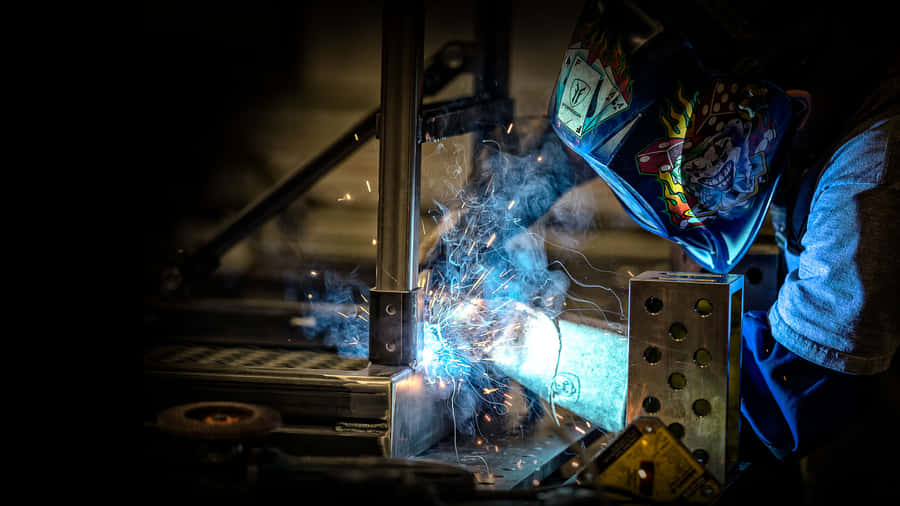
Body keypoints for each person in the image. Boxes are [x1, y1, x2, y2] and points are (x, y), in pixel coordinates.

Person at [424, 0, 897, 502]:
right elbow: (616, 125)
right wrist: (490, 214)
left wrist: (520, 342)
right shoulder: (783, 84)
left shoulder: (871, 178)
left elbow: (777, 400)